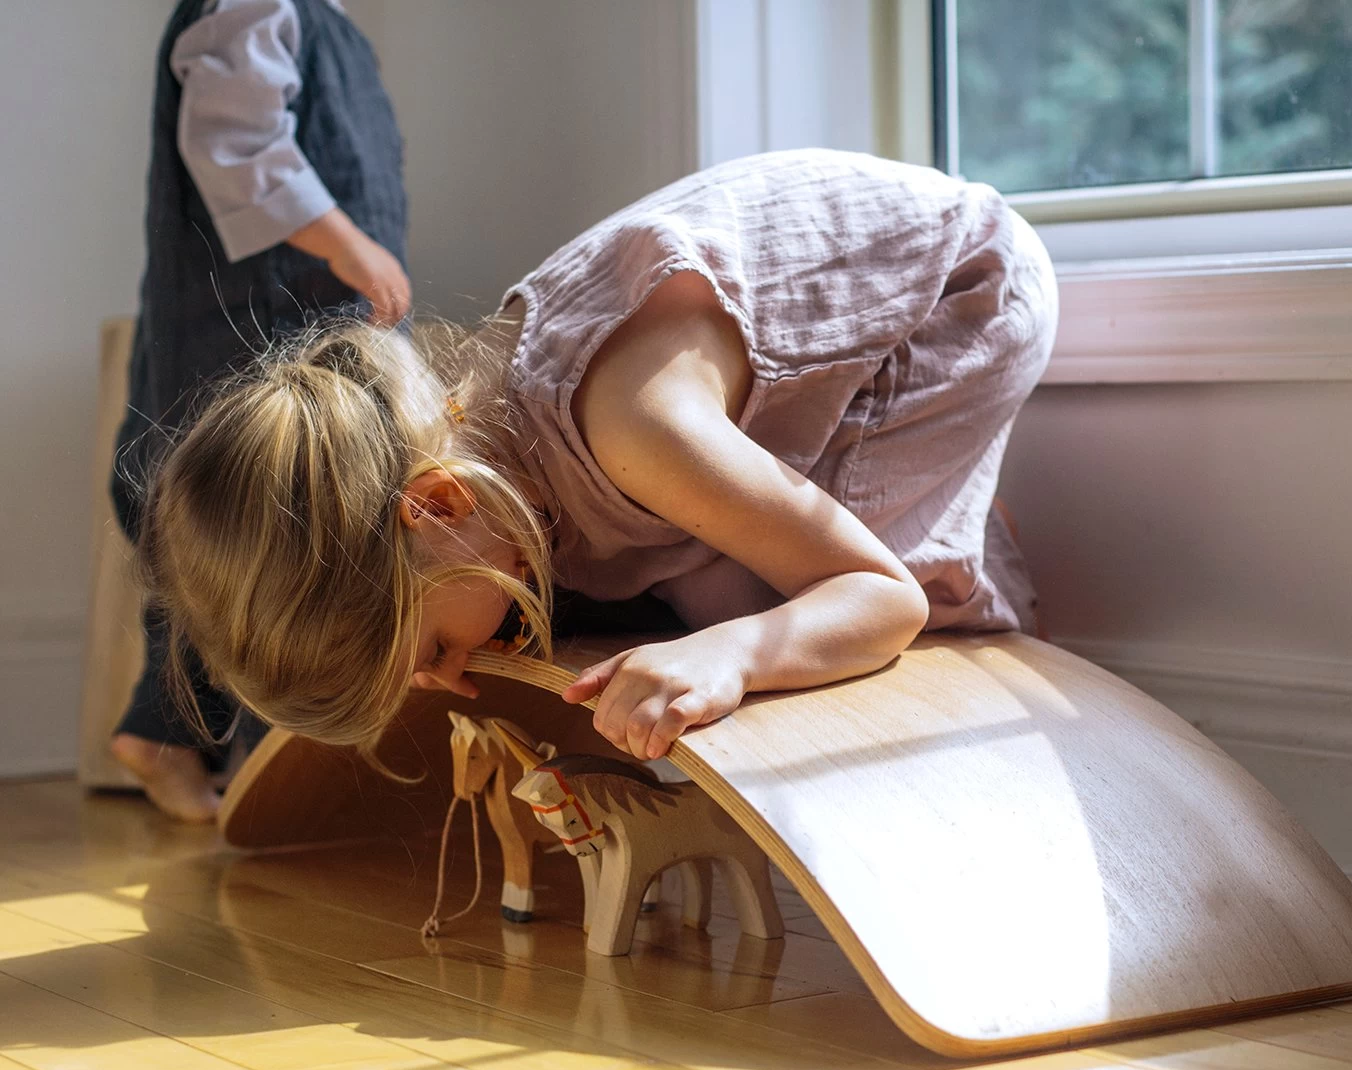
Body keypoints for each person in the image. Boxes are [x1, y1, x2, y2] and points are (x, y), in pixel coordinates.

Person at [136, 148, 1057, 768]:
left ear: (442, 505)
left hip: (957, 286)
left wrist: (736, 653)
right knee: (683, 591)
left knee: (776, 615)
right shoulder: (472, 458)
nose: (444, 673)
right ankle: (877, 512)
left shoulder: (636, 433)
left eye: (434, 648)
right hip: (749, 343)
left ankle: (956, 546)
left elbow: (879, 602)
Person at [109, 0, 409, 821]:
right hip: (250, 331)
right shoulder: (256, 4)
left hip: (290, 332)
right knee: (256, 528)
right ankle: (238, 757)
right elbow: (234, 139)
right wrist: (347, 242)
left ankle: (187, 734)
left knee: (288, 534)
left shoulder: (328, 27)